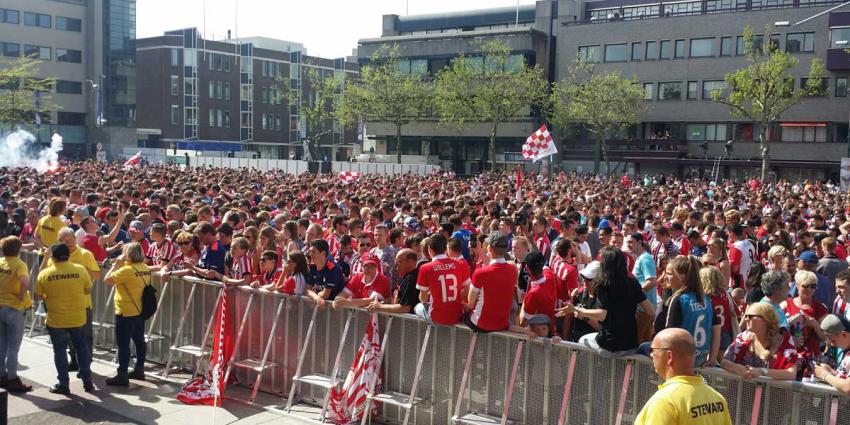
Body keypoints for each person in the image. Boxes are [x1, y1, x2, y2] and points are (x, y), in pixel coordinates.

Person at [557, 247, 655, 358]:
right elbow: (651, 311)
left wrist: (577, 310)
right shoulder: (633, 283)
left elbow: (602, 314)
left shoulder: (603, 285)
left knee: (582, 340)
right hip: (631, 345)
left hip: (609, 346)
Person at [634, 328, 732, 425]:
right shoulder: (717, 399)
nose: (651, 355)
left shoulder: (665, 402)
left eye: (653, 350)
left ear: (669, 356)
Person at [35, 243, 94, 394]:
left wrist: (49, 295)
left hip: (56, 320)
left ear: (53, 258)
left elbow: (37, 297)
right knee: (81, 347)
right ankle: (87, 381)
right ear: (68, 255)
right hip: (77, 317)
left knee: (60, 351)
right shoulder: (80, 270)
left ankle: (63, 384)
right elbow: (88, 289)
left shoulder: (45, 273)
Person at [648, 256, 718, 366]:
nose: (665, 276)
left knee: (643, 348)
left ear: (681, 277)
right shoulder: (704, 298)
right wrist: (713, 358)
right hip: (701, 358)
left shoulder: (679, 299)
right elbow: (716, 328)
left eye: (669, 274)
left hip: (681, 361)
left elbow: (670, 334)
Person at [103, 242, 151, 386]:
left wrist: (116, 265)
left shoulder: (126, 270)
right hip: (140, 310)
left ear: (128, 254)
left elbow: (107, 280)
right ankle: (139, 369)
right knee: (139, 341)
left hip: (125, 311)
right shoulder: (145, 268)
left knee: (123, 343)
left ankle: (122, 374)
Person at [720, 303, 798, 381]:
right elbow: (724, 362)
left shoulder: (784, 341)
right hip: (743, 387)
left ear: (766, 320)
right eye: (746, 316)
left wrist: (762, 372)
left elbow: (791, 374)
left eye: (751, 316)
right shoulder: (742, 338)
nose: (746, 319)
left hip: (772, 389)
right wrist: (739, 369)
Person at [465, 232, 517, 333]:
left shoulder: (480, 273)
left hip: (481, 324)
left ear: (490, 248)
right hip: (502, 324)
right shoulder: (513, 269)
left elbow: (470, 303)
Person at [415, 234, 470, 326]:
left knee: (417, 307)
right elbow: (466, 290)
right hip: (458, 314)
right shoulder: (460, 264)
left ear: (429, 249)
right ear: (445, 249)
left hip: (438, 317)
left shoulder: (425, 268)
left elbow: (423, 298)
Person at [0, 236, 32, 392]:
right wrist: (21, 296)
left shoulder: (0, 262)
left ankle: (2, 375)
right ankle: (12, 378)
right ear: (18, 250)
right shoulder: (20, 264)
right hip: (14, 308)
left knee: (1, 343)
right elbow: (25, 281)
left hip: (1, 306)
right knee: (13, 346)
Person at [700, 266, 739, 366]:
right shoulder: (726, 294)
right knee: (723, 362)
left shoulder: (705, 297)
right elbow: (735, 312)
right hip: (725, 331)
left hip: (709, 331)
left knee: (708, 361)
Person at [368, 248, 421, 314]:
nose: (396, 264)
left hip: (407, 319)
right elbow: (397, 296)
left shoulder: (412, 278)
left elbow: (405, 308)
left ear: (410, 262)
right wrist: (383, 302)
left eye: (399, 261)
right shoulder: (406, 276)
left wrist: (380, 306)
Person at [628, 233, 657, 344]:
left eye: (631, 242)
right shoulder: (641, 258)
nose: (628, 245)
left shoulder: (645, 258)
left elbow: (652, 281)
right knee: (645, 342)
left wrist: (635, 294)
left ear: (639, 242)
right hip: (644, 308)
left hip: (643, 309)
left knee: (638, 341)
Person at [812, 314, 850, 394]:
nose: (832, 344)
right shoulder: (847, 352)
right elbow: (845, 376)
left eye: (833, 340)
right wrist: (832, 372)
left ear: (844, 334)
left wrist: (824, 375)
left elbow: (848, 387)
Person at [306, 239, 346, 309]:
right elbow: (307, 289)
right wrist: (317, 298)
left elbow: (325, 295)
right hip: (320, 306)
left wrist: (314, 295)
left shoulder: (333, 269)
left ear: (323, 253)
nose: (310, 254)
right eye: (310, 251)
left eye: (313, 252)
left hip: (334, 309)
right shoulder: (313, 266)